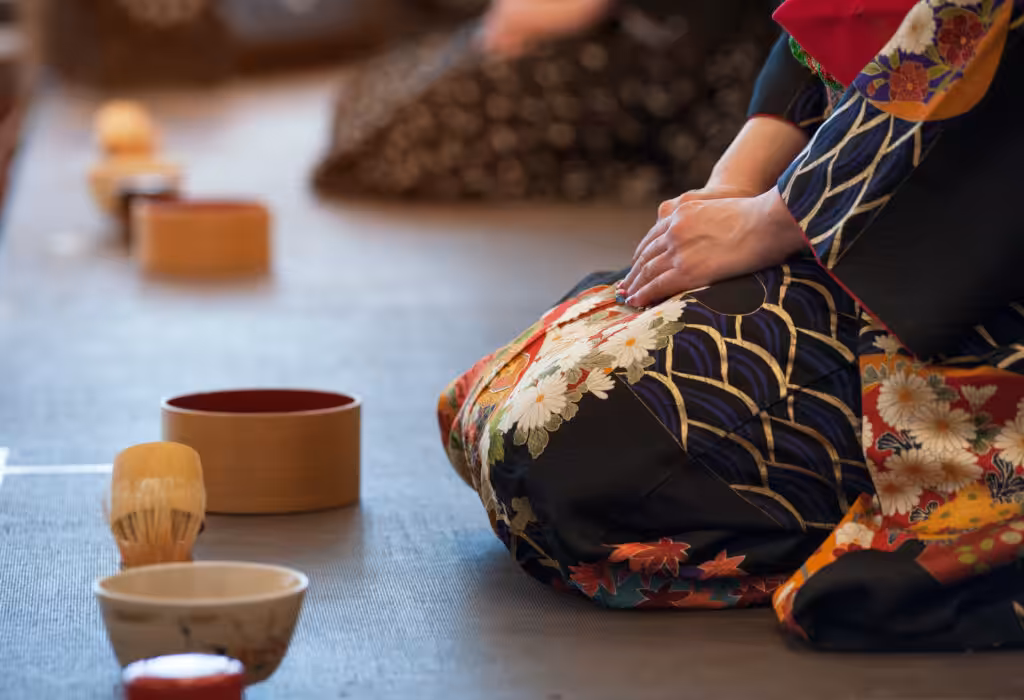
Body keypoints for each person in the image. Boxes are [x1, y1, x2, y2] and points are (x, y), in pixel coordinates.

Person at [438, 0, 1024, 651]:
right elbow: (838, 24)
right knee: (498, 410)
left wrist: (776, 217)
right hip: (836, 196)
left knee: (563, 446)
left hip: (967, 281)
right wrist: (727, 195)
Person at [313, 0, 779, 203]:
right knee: (380, 86)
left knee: (404, 127)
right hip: (614, 27)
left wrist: (514, 23)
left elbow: (578, 9)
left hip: (668, 56)